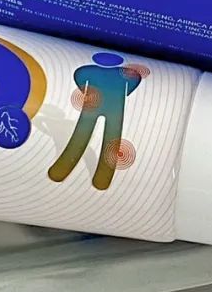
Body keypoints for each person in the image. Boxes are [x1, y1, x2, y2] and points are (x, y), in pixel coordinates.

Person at [48, 53, 143, 190]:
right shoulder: (123, 74)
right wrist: (126, 92)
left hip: (94, 104)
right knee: (111, 139)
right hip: (114, 107)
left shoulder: (89, 70)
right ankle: (102, 180)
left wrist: (85, 91)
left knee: (80, 136)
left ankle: (60, 171)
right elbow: (136, 79)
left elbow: (78, 75)